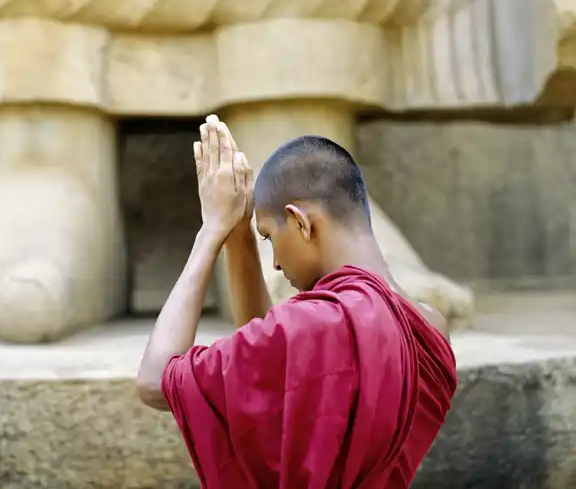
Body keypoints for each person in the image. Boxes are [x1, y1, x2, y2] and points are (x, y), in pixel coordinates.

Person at [136, 115, 457, 488]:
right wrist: (239, 237)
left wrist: (210, 231)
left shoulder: (317, 323)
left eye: (269, 237)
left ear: (301, 223)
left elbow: (155, 382)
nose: (274, 262)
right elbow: (262, 374)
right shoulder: (431, 328)